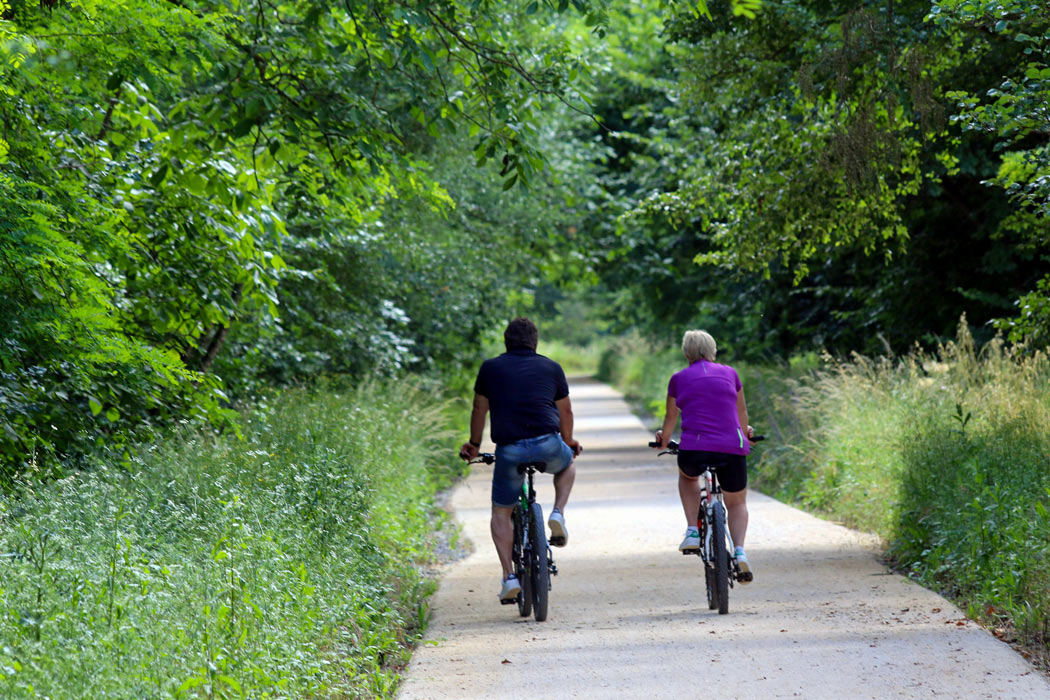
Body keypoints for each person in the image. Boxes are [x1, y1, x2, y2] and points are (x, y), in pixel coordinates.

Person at [459, 318, 581, 602]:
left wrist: (475, 445)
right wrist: (569, 440)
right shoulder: (552, 367)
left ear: (506, 341)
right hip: (548, 443)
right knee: (568, 464)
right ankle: (557, 513)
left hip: (510, 449)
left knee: (501, 512)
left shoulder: (490, 368)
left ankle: (508, 576)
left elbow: (479, 409)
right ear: (535, 341)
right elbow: (566, 412)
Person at [652, 329, 756, 583]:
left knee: (688, 477)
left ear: (686, 353)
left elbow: (671, 416)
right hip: (732, 447)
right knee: (737, 502)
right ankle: (740, 551)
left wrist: (663, 439)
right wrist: (746, 433)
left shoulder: (678, 378)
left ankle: (692, 531)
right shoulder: (730, 373)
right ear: (713, 350)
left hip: (694, 449)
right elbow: (740, 410)